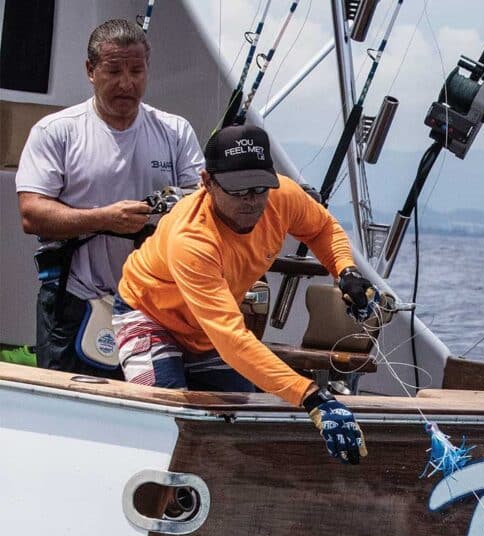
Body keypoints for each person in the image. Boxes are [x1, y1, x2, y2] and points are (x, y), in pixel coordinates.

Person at [114, 125, 375, 463]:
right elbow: (234, 341)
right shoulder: (192, 239)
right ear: (207, 183)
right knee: (166, 417)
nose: (252, 201)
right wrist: (312, 397)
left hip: (207, 328)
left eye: (259, 188)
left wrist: (345, 271)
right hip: (150, 316)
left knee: (240, 421)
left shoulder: (283, 198)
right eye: (238, 191)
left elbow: (322, 227)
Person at [15, 18, 204, 376]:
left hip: (153, 304)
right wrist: (104, 217)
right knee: (66, 410)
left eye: (136, 70)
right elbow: (32, 214)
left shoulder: (175, 131)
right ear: (91, 70)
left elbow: (202, 208)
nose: (127, 83)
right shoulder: (57, 131)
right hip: (74, 300)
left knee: (152, 410)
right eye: (114, 70)